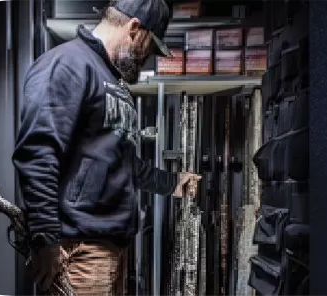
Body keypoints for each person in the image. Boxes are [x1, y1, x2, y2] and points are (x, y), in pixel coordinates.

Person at [12, 0, 201, 295]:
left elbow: (123, 161)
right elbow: (38, 153)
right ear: (135, 29)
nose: (147, 59)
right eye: (149, 48)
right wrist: (46, 239)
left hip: (107, 248)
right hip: (79, 251)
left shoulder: (109, 77)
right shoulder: (68, 65)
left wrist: (172, 183)